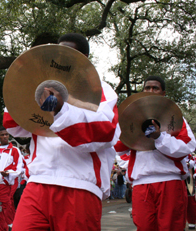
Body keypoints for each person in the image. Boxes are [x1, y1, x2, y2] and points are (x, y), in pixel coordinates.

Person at [6, 33, 118, 231]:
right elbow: (15, 124)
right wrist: (24, 87)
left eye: (70, 54)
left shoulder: (101, 90)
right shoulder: (42, 86)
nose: (62, 59)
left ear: (84, 58)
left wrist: (60, 109)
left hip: (80, 185)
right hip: (38, 182)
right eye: (60, 53)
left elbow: (105, 132)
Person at [115, 76, 196, 230]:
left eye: (155, 88)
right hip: (141, 183)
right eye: (147, 88)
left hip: (170, 181)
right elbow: (117, 146)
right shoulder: (131, 119)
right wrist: (131, 129)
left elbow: (187, 148)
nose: (150, 91)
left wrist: (160, 137)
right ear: (142, 91)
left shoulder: (176, 118)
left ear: (163, 93)